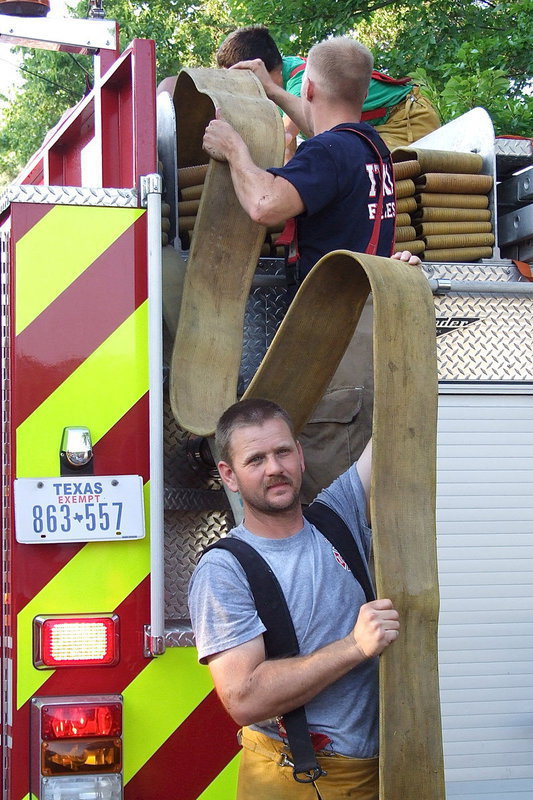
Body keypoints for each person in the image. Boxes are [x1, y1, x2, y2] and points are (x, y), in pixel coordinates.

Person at [203, 36, 417, 502]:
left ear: (312, 88)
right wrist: (274, 92)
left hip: (337, 338)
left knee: (331, 488)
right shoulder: (369, 145)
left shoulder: (328, 154)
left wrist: (235, 150)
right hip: (370, 331)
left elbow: (265, 205)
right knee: (361, 485)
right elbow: (324, 132)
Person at [188, 398, 400, 799]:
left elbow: (392, 433)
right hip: (298, 779)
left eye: (282, 451)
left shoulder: (337, 514)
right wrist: (354, 646)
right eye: (256, 460)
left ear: (300, 456)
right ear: (229, 476)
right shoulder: (224, 570)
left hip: (374, 775)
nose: (274, 468)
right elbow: (244, 699)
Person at [216, 25, 440, 152]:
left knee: (370, 168)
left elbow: (283, 136)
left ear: (256, 69)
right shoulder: (282, 83)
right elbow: (288, 149)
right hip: (374, 128)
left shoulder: (298, 80)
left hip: (405, 117)